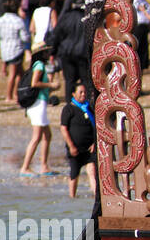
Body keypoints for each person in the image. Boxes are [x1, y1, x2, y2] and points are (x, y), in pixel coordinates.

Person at [20, 41, 59, 175]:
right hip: (37, 105)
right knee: (36, 137)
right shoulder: (39, 65)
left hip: (39, 103)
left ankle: (44, 166)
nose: (49, 53)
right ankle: (25, 167)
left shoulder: (38, 65)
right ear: (41, 53)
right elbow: (35, 83)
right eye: (46, 51)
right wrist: (52, 85)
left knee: (47, 135)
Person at [59, 82, 98, 198]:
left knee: (92, 170)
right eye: (80, 92)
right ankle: (72, 197)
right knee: (74, 173)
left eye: (84, 92)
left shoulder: (89, 108)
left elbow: (96, 127)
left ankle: (96, 196)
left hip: (89, 148)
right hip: (75, 148)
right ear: (73, 94)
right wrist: (71, 146)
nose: (83, 94)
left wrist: (95, 143)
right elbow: (63, 129)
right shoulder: (68, 109)